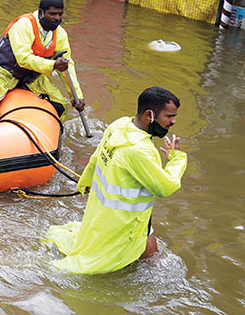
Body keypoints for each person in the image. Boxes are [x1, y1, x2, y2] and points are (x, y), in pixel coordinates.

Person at [45, 87, 187, 274]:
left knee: (151, 256)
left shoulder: (119, 125)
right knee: (149, 266)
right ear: (149, 115)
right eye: (169, 116)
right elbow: (165, 187)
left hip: (119, 215)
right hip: (126, 222)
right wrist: (177, 158)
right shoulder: (139, 150)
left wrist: (85, 183)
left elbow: (96, 157)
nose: (173, 121)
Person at [0, 0, 84, 120]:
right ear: (41, 12)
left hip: (33, 78)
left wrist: (76, 96)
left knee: (60, 106)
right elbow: (23, 59)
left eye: (60, 14)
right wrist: (53, 65)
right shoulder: (24, 25)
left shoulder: (60, 34)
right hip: (5, 73)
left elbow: (67, 66)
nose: (57, 18)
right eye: (52, 14)